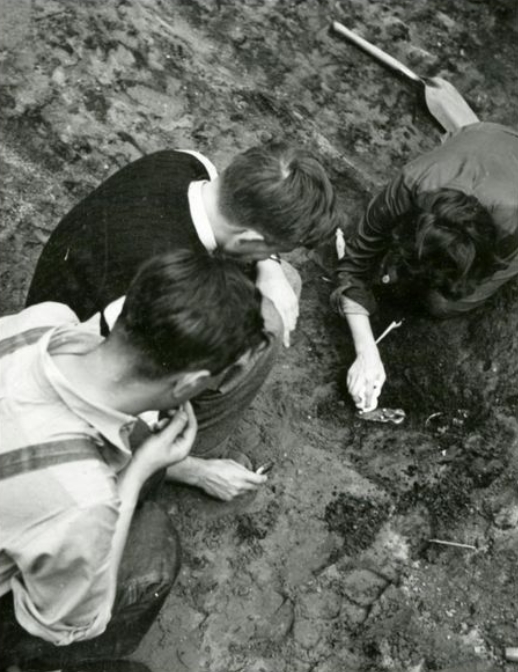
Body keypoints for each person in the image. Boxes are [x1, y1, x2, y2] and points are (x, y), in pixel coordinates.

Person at [25, 143, 340, 500]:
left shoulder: (189, 163)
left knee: (286, 281)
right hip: (83, 344)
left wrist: (269, 265)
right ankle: (185, 449)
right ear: (247, 238)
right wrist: (186, 469)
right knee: (265, 324)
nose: (274, 256)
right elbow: (112, 386)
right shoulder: (155, 283)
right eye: (272, 247)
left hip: (92, 281)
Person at [0, 250, 266, 672]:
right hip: (47, 567)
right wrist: (138, 470)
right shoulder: (83, 501)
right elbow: (75, 621)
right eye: (225, 376)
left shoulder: (42, 321)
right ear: (191, 384)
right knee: (154, 555)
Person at [332, 120, 518, 412]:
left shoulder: (511, 229)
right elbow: (353, 265)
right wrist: (366, 351)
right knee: (385, 272)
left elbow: (475, 280)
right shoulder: (411, 184)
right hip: (482, 137)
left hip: (508, 178)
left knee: (442, 304)